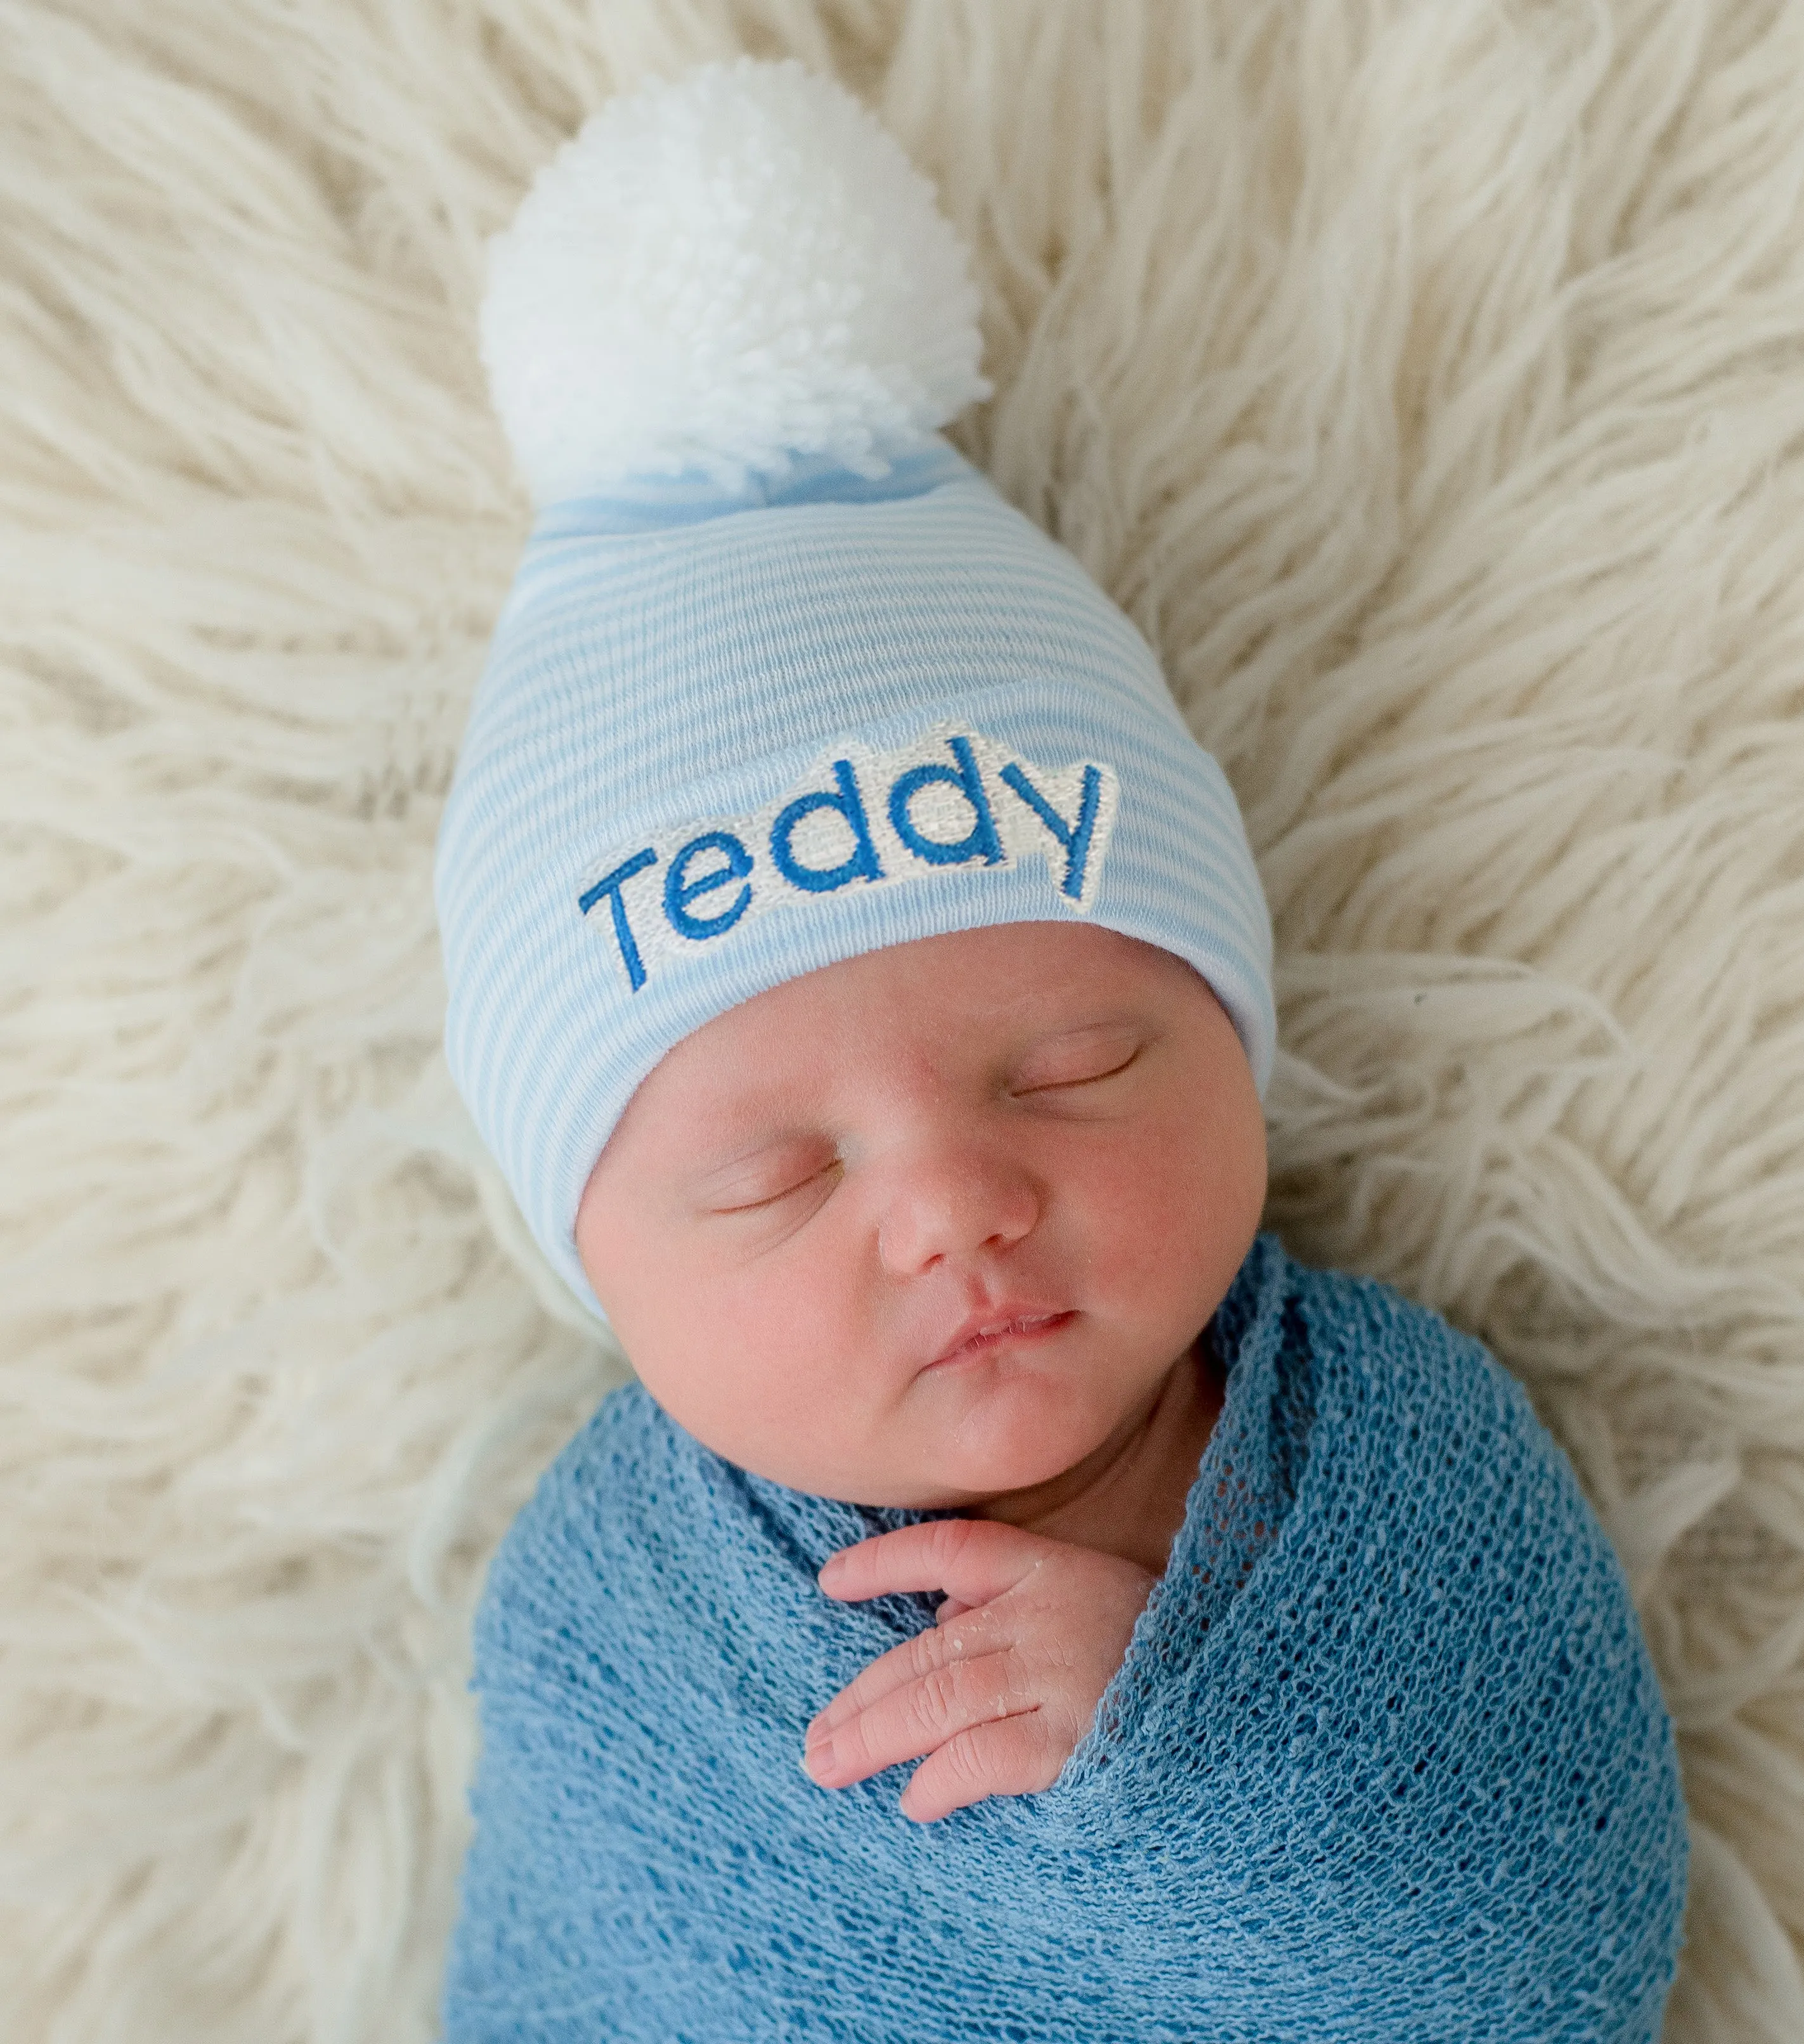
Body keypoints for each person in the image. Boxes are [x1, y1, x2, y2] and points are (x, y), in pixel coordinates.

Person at [434, 55, 1688, 2041]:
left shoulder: (1385, 1469)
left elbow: (1560, 1930)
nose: (953, 1206)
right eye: (775, 1174)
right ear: (599, 1260)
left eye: (1070, 1070)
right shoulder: (617, 1616)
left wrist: (1197, 1741)